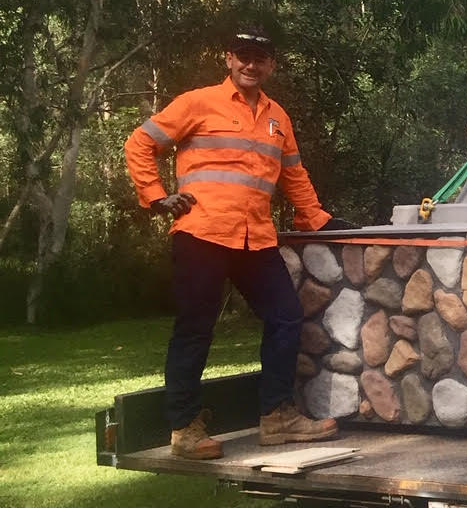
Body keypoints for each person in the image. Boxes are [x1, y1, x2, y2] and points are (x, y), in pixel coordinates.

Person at [125, 26, 355, 459]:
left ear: (271, 64)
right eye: (243, 56)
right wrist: (156, 196)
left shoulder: (277, 117)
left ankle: (276, 417)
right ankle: (185, 430)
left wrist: (316, 219)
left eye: (260, 58)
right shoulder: (197, 102)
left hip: (255, 238)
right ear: (229, 59)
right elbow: (140, 143)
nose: (251, 64)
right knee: (195, 329)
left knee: (286, 317)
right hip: (202, 233)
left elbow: (293, 175)